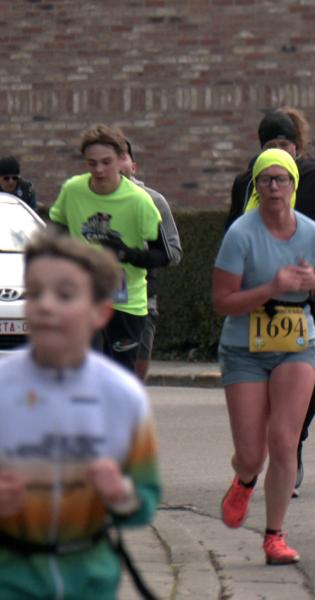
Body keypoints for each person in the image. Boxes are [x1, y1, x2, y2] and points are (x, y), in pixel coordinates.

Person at [0, 233, 160, 599]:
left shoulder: (123, 397)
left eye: (65, 295)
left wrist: (120, 494)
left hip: (92, 579)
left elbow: (144, 500)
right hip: (10, 579)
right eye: (35, 292)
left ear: (101, 311)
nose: (45, 306)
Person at [212, 148, 315, 565]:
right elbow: (223, 301)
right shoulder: (241, 234)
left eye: (282, 180)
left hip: (297, 345)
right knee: (252, 454)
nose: (274, 187)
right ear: (257, 188)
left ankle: (274, 536)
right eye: (266, 180)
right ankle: (245, 479)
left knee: (284, 442)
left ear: (294, 186)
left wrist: (313, 281)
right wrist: (272, 286)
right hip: (244, 349)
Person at [226, 108, 315, 498]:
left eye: (285, 145)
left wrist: (306, 232)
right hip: (262, 293)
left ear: (297, 147)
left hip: (308, 288)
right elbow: (232, 228)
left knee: (309, 377)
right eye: (270, 146)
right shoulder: (249, 182)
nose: (279, 152)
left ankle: (293, 442)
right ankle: (271, 444)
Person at [49, 125, 167, 373]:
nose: (99, 170)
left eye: (106, 162)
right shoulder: (73, 190)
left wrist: (126, 253)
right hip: (83, 298)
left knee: (119, 377)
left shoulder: (139, 200)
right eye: (92, 163)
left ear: (121, 159)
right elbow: (54, 233)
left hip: (126, 303)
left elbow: (163, 255)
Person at [118, 140, 183, 381]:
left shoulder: (152, 201)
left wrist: (132, 254)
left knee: (134, 376)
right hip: (93, 302)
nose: (113, 164)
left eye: (120, 156)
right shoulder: (82, 198)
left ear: (133, 166)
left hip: (141, 298)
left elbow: (173, 252)